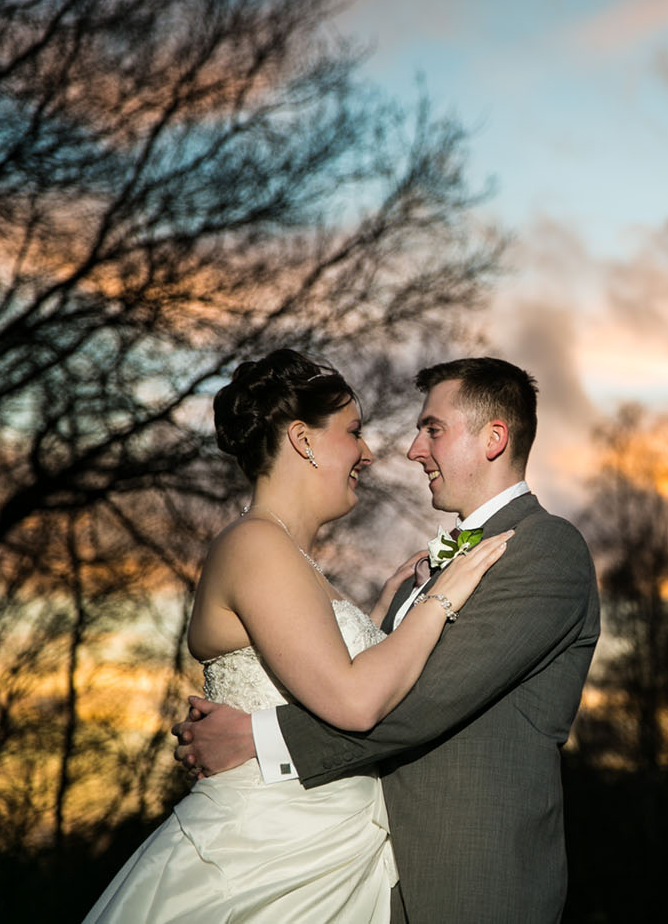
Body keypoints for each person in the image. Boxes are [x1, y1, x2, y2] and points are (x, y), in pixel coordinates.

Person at [85, 350, 511, 922]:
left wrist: (380, 616)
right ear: (303, 440)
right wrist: (441, 598)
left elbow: (330, 675)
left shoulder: (290, 558)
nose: (368, 452)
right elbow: (355, 702)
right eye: (353, 432)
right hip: (268, 857)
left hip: (330, 853)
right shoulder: (255, 544)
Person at [174, 356, 602, 923]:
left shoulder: (543, 548)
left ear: (494, 438)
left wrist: (260, 736)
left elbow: (425, 701)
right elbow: (370, 678)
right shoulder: (423, 572)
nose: (412, 450)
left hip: (469, 882)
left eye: (433, 429)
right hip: (354, 867)